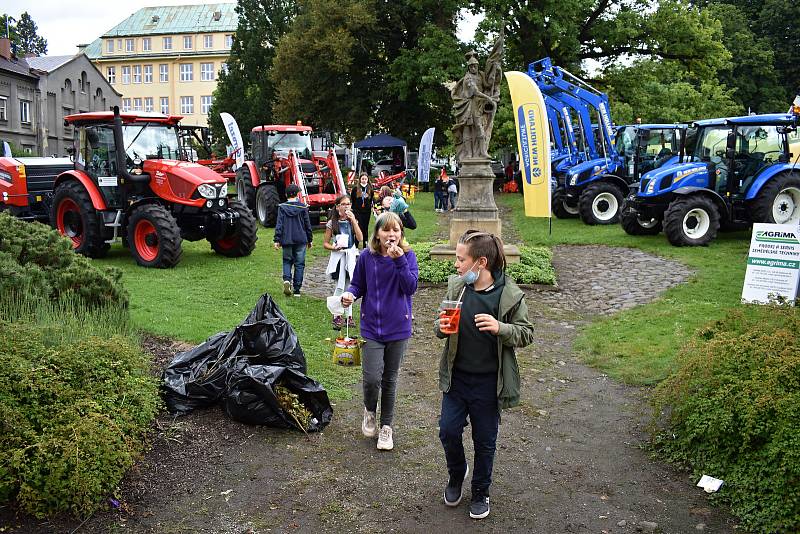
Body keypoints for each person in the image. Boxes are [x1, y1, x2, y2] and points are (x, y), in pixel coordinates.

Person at [435, 230, 535, 520]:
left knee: (485, 440)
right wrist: (442, 327)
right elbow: (438, 326)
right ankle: (457, 474)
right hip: (457, 379)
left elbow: (526, 333)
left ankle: (480, 491)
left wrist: (500, 327)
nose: (456, 265)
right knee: (448, 430)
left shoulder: (509, 295)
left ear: (480, 262)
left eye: (460, 259)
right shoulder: (457, 288)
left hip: (490, 383)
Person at [341, 212, 418, 451]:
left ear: (401, 233)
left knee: (390, 379)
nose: (391, 235)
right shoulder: (367, 257)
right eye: (386, 230)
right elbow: (358, 284)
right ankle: (369, 411)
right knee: (372, 378)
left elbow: (410, 287)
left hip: (398, 327)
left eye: (396, 230)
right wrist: (350, 294)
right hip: (372, 327)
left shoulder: (408, 256)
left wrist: (399, 261)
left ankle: (386, 427)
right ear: (377, 234)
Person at [324, 195, 363, 329]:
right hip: (339, 257)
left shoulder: (352, 220)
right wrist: (334, 247)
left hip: (351, 256)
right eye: (344, 204)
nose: (347, 206)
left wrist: (354, 222)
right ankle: (336, 314)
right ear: (338, 206)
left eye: (348, 204)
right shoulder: (332, 223)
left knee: (350, 286)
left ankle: (349, 315)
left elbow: (360, 238)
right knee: (340, 286)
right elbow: (325, 243)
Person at [273, 184, 313, 297]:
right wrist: (310, 239)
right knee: (299, 264)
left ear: (286, 195)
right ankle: (297, 290)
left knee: (287, 261)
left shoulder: (282, 207)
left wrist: (277, 239)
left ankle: (287, 280)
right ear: (297, 194)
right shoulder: (303, 207)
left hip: (286, 239)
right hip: (301, 239)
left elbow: (279, 224)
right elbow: (307, 224)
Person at [350, 172, 374, 249]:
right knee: (358, 227)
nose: (364, 180)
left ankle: (365, 245)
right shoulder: (355, 189)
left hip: (366, 212)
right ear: (360, 179)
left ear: (367, 180)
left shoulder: (370, 189)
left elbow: (371, 200)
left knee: (365, 227)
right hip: (357, 211)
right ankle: (356, 245)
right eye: (362, 179)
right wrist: (353, 210)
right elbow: (353, 200)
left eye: (365, 179)